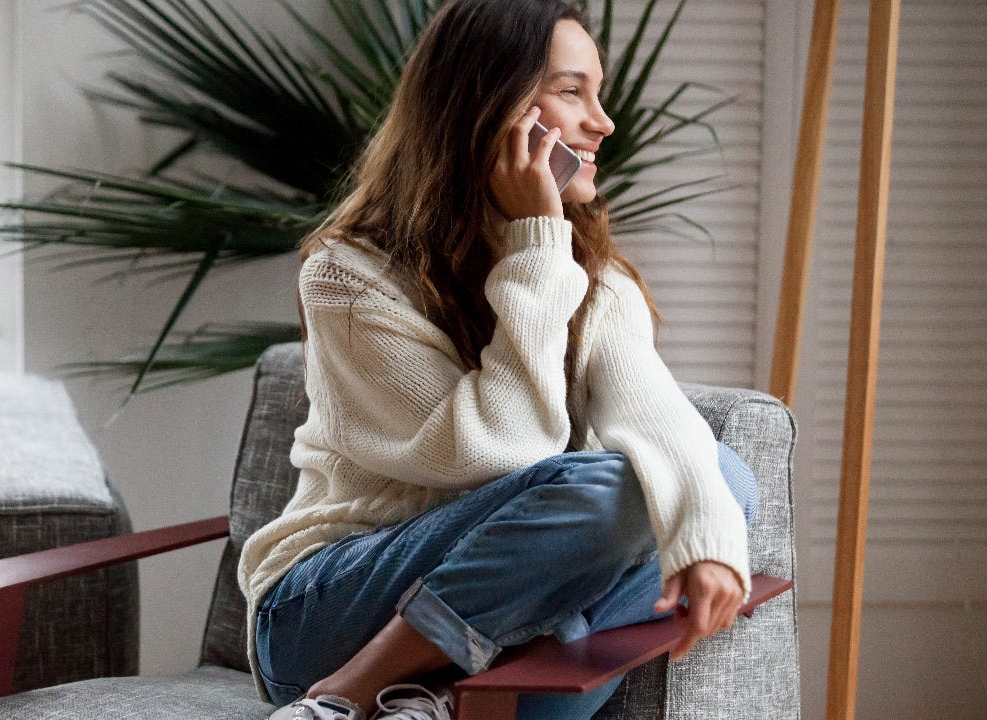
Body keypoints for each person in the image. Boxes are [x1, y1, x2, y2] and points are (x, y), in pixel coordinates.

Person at [237, 1, 758, 718]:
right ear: (488, 105)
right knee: (612, 491)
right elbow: (501, 456)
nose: (603, 122)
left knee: (721, 482)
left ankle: (437, 701)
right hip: (326, 610)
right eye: (572, 92)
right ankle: (347, 692)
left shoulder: (598, 282)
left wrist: (710, 543)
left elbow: (661, 422)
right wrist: (539, 243)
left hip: (502, 618)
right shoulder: (350, 276)